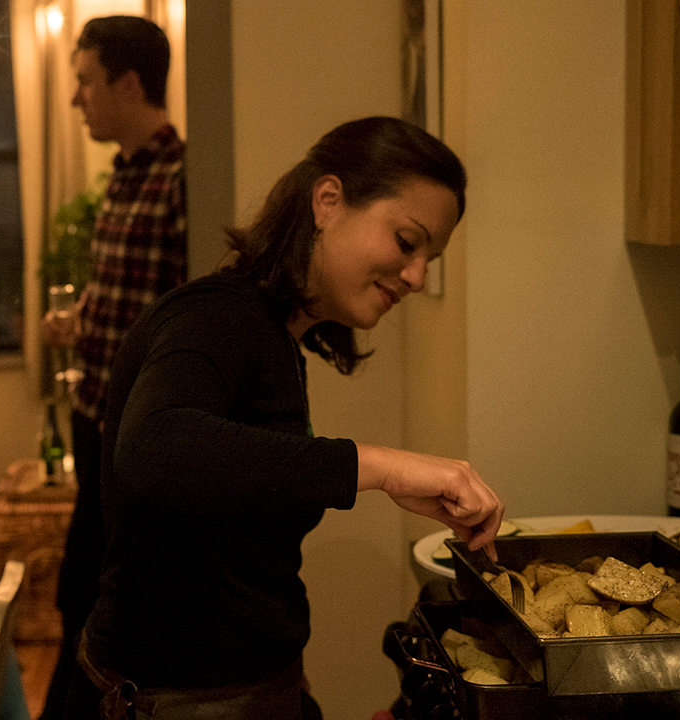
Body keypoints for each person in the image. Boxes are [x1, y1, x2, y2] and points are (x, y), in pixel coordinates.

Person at [64, 117, 504, 719]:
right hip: (178, 700)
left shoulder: (274, 336)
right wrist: (378, 467)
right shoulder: (216, 318)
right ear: (328, 201)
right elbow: (153, 445)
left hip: (249, 689)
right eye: (407, 241)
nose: (418, 276)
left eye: (430, 256)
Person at [41, 16, 187, 718]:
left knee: (94, 593)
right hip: (97, 416)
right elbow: (134, 291)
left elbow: (187, 313)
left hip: (138, 434)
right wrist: (82, 319)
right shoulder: (126, 176)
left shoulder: (184, 175)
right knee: (84, 586)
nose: (77, 100)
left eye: (84, 82)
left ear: (128, 84)